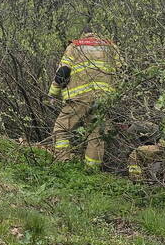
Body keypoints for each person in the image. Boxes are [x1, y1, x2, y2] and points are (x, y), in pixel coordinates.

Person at [48, 30, 121, 168]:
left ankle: (63, 163)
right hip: (104, 98)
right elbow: (123, 71)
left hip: (79, 97)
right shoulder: (111, 47)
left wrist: (53, 93)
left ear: (83, 34)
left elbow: (63, 72)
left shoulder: (75, 46)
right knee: (97, 135)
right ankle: (91, 170)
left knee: (61, 128)